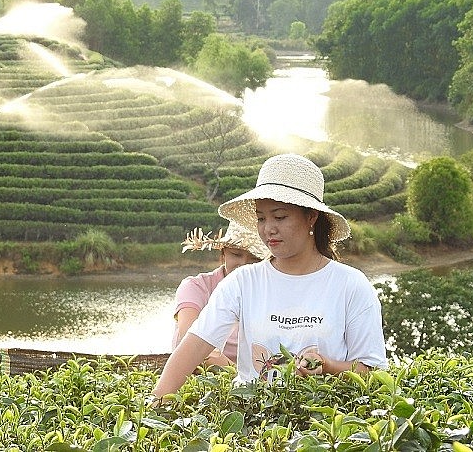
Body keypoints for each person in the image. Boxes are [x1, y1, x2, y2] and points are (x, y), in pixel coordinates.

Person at [151, 153, 387, 401]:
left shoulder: (350, 285)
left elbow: (372, 372)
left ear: (311, 217)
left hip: (322, 427)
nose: (268, 229)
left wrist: (328, 366)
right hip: (253, 424)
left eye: (280, 216)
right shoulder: (243, 282)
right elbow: (194, 347)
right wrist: (153, 406)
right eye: (261, 218)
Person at [173, 221, 268, 367]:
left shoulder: (271, 292)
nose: (243, 265)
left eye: (255, 259)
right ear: (223, 254)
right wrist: (241, 381)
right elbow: (193, 346)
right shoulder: (196, 287)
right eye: (236, 255)